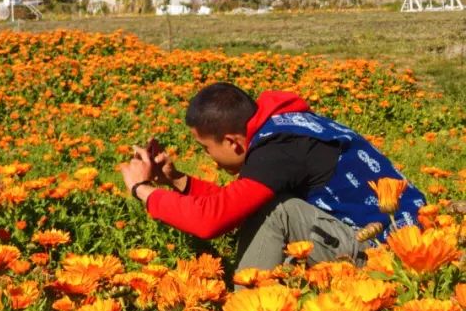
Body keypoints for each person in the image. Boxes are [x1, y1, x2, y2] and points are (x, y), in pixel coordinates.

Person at [118, 82, 425, 272]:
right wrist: (177, 180)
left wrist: (142, 189)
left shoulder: (278, 151)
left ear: (232, 142)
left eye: (206, 148)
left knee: (277, 210)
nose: (208, 157)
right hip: (396, 238)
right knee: (267, 206)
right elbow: (233, 205)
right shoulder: (283, 130)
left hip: (391, 258)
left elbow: (210, 221)